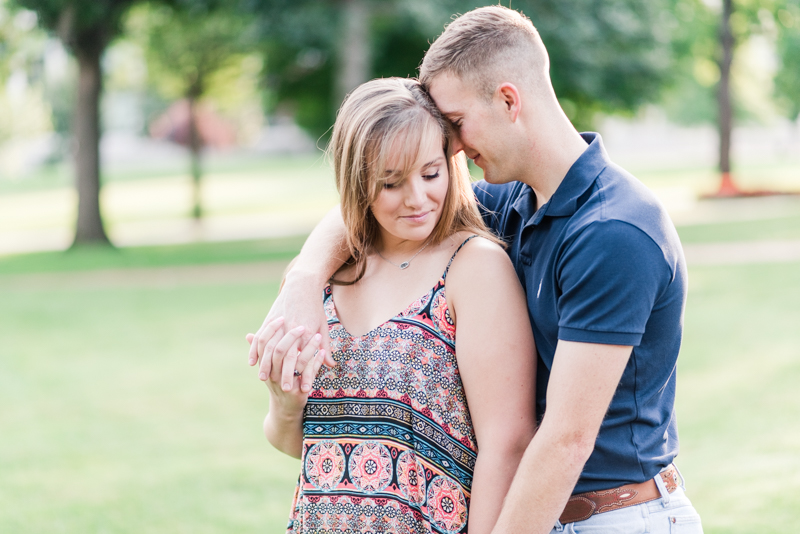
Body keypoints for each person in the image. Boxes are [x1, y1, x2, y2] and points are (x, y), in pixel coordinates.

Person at [249, 6, 705, 534]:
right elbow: (364, 205)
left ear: (509, 100)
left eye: (457, 124)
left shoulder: (615, 232)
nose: (455, 147)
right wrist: (305, 280)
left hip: (616, 518)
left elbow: (565, 440)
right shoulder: (513, 200)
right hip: (538, 514)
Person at [248, 77, 537, 534]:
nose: (418, 198)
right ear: (357, 181)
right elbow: (304, 446)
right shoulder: (325, 276)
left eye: (430, 173)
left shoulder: (473, 268)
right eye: (390, 182)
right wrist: (285, 405)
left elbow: (509, 443)